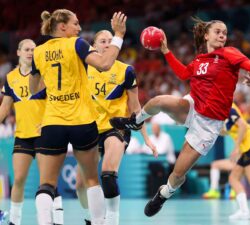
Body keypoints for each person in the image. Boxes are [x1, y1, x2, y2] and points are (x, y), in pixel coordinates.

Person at [110, 18, 250, 217]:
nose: (222, 36)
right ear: (206, 35)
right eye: (217, 32)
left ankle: (164, 193)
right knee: (159, 101)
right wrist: (165, 50)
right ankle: (135, 120)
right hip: (193, 105)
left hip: (209, 124)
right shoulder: (200, 59)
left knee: (177, 174)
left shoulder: (230, 54)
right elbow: (183, 74)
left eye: (224, 33)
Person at [29, 9, 126, 225]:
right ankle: (100, 223)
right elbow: (105, 64)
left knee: (46, 183)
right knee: (92, 179)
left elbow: (33, 88)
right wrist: (118, 35)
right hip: (82, 121)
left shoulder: (38, 51)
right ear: (62, 26)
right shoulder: (77, 44)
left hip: (53, 121)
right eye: (76, 23)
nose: (79, 28)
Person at [74, 30, 156, 225]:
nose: (108, 44)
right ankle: (91, 217)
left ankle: (112, 220)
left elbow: (136, 109)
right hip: (90, 129)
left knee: (108, 174)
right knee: (79, 185)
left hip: (115, 127)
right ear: (93, 47)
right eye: (103, 41)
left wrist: (146, 138)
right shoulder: (85, 68)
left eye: (111, 41)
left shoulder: (125, 71)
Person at [0, 39, 63, 225]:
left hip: (45, 134)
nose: (30, 52)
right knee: (18, 179)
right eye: (26, 49)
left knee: (49, 181)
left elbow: (56, 102)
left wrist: (47, 122)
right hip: (23, 135)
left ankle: (58, 220)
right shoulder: (11, 77)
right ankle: (14, 220)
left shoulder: (45, 75)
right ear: (18, 52)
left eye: (33, 50)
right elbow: (5, 108)